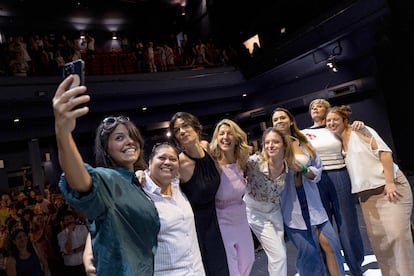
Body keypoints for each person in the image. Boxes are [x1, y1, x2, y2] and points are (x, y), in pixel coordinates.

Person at [52, 75, 160, 276]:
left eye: (132, 136)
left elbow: (107, 219)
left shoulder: (137, 182)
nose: (129, 142)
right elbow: (81, 181)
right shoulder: (107, 179)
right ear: (106, 149)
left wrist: (90, 245)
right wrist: (63, 134)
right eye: (119, 138)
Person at [326, 105, 414, 276]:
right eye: (328, 120)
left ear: (345, 119)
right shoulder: (338, 144)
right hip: (367, 197)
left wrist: (389, 182)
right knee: (381, 243)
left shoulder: (360, 131)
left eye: (335, 119)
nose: (331, 123)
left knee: (398, 237)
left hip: (389, 188)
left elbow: (385, 153)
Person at [272, 107, 345, 276]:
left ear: (290, 121)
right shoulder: (272, 147)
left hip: (314, 203)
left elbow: (317, 169)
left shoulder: (303, 142)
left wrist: (304, 169)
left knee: (331, 246)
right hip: (292, 208)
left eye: (282, 117)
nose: (279, 121)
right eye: (275, 120)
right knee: (309, 255)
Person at [300, 98, 365, 276]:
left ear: (327, 110)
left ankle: (356, 268)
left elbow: (354, 136)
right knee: (322, 226)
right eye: (312, 106)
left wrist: (359, 125)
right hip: (315, 179)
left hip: (339, 174)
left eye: (319, 105)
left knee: (348, 224)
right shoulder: (302, 133)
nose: (315, 108)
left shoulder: (335, 128)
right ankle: (331, 270)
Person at [168, 112, 229, 276]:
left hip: (218, 220)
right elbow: (156, 180)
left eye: (185, 125)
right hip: (198, 229)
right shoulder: (179, 164)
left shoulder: (207, 147)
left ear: (196, 128)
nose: (181, 131)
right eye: (176, 130)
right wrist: (140, 175)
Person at [143, 142, 205, 275]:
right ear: (149, 162)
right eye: (162, 158)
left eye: (173, 159)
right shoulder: (140, 192)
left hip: (195, 269)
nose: (167, 162)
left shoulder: (179, 186)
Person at [244, 127, 292, 276]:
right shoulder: (254, 162)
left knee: (279, 255)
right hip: (256, 213)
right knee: (279, 256)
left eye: (275, 142)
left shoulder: (288, 166)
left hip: (275, 212)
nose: (270, 145)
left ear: (284, 145)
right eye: (267, 142)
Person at [209, 119, 255, 276]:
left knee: (248, 260)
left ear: (236, 138)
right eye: (221, 133)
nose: (225, 137)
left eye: (230, 133)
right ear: (216, 138)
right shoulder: (212, 164)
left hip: (241, 218)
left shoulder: (242, 162)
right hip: (221, 220)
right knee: (231, 266)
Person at [57, 210, 89, 276]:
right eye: (67, 219)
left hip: (85, 262)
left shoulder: (82, 228)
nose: (70, 221)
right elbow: (67, 250)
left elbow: (87, 245)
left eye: (71, 218)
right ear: (63, 222)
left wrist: (74, 251)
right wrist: (69, 233)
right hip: (71, 266)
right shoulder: (61, 235)